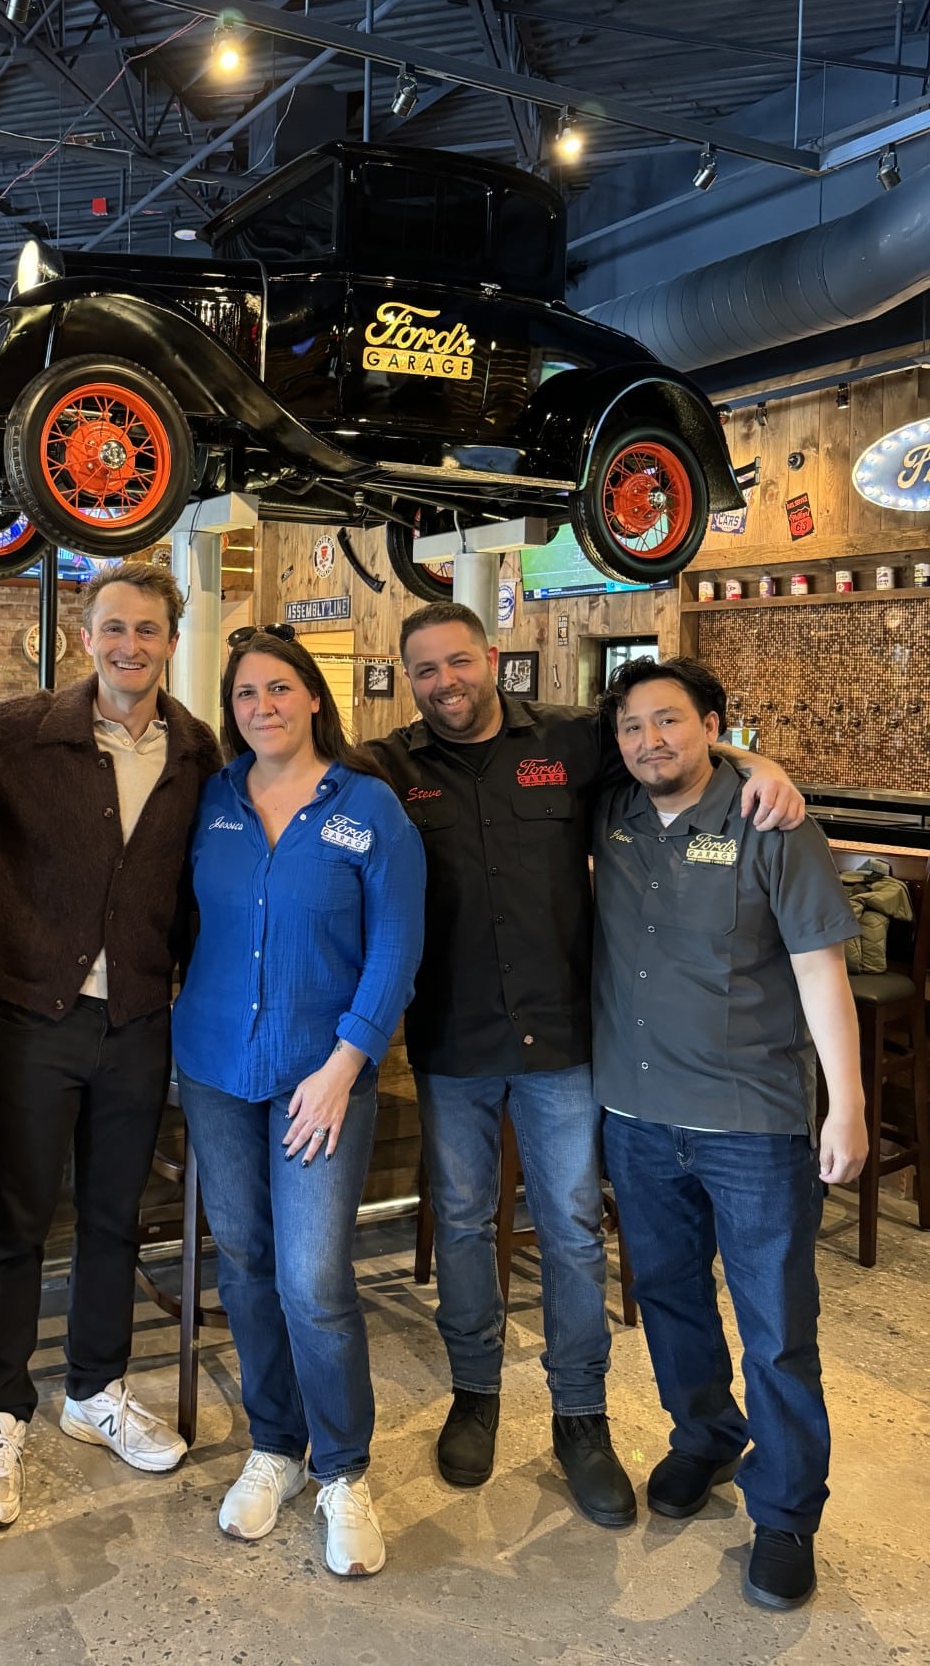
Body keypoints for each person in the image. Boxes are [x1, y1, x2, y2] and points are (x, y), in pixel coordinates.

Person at [363, 600, 805, 1528]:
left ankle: (581, 1416)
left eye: (456, 662)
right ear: (410, 682)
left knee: (570, 1229)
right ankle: (474, 1395)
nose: (443, 683)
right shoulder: (394, 765)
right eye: (424, 671)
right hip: (452, 1041)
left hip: (565, 1041)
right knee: (463, 1222)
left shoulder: (572, 739)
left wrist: (761, 761)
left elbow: (673, 746)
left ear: (491, 659)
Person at [0, 563, 221, 1531]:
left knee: (115, 1215)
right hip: (38, 1014)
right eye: (113, 628)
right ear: (84, 635)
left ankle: (94, 1388)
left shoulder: (198, 751)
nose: (129, 647)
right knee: (20, 1217)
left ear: (171, 639)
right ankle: (1, 1408)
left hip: (141, 1019)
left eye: (147, 630)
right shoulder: (13, 733)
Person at [593, 655, 866, 1611]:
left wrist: (848, 1104)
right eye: (633, 728)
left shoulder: (770, 821)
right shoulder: (614, 812)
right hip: (634, 1113)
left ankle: (787, 1515)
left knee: (778, 1327)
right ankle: (704, 1436)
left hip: (753, 1122)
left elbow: (823, 972)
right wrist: (751, 754)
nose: (650, 742)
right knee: (667, 1299)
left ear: (711, 723)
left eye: (670, 722)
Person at [173, 628, 425, 1577]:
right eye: (245, 694)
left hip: (322, 1078)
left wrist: (345, 1062)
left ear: (313, 698)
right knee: (242, 1258)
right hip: (212, 1067)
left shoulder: (366, 808)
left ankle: (344, 1470)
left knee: (314, 1279)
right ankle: (274, 1446)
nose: (263, 707)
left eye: (280, 689)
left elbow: (398, 943)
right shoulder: (215, 800)